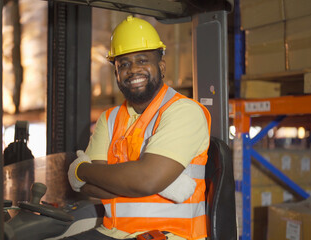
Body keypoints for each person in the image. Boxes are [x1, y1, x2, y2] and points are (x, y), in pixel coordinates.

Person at [67, 15, 211, 240]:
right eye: (123, 64)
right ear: (116, 74)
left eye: (143, 60)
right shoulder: (110, 118)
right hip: (112, 233)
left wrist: (80, 170)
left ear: (161, 67)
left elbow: (144, 181)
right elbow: (90, 187)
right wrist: (141, 182)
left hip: (171, 235)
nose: (133, 69)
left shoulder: (184, 111)